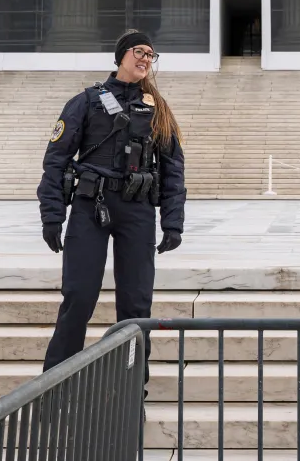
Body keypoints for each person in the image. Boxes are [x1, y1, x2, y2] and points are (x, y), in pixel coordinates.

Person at [38, 29, 186, 370]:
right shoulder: (86, 101)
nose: (146, 59)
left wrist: (173, 222)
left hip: (138, 211)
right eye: (139, 51)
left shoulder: (158, 109)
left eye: (151, 55)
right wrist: (52, 216)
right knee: (78, 297)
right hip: (92, 206)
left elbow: (173, 168)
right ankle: (56, 381)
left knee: (136, 306)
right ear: (121, 56)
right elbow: (56, 159)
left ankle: (132, 389)